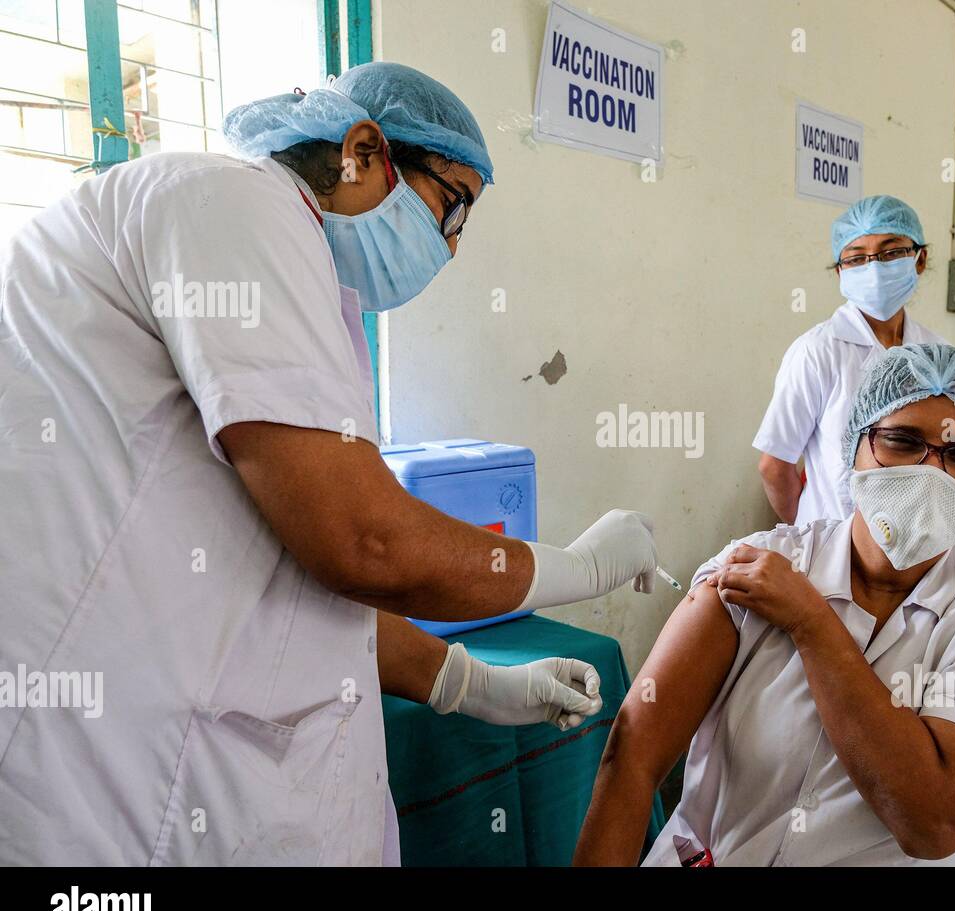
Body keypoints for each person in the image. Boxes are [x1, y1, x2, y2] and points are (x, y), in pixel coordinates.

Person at [0, 62, 661, 865]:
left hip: (187, 756)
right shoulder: (232, 202)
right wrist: (583, 566)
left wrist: (469, 683)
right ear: (363, 150)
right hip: (122, 782)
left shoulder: (295, 276)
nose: (451, 249)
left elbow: (303, 575)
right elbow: (364, 542)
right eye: (451, 205)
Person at [574, 344, 955, 867]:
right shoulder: (759, 565)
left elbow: (934, 823)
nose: (932, 473)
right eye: (901, 441)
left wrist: (811, 624)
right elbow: (632, 757)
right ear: (853, 446)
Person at [754, 195, 945, 526]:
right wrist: (813, 535)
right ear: (840, 271)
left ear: (919, 258)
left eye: (892, 252)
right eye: (857, 258)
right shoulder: (818, 351)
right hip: (835, 545)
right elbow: (775, 465)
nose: (874, 269)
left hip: (918, 540)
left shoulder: (936, 351)